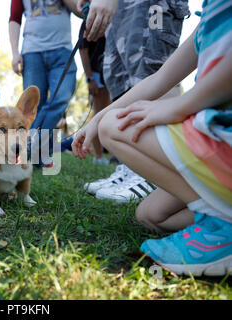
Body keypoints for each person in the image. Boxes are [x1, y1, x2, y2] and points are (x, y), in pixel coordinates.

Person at [73, 0, 232, 276]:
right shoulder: (208, 20)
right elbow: (159, 79)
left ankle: (223, 224)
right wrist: (96, 120)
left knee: (116, 127)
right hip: (218, 140)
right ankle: (218, 217)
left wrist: (178, 106)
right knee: (151, 215)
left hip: (223, 135)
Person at [78, 0, 189, 202]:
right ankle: (132, 166)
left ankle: (156, 171)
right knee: (120, 78)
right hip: (121, 9)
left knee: (151, 68)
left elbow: (161, 79)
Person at [9, 0, 81, 168]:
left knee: (61, 98)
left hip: (62, 51)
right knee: (34, 107)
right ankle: (41, 157)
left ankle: (28, 148)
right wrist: (14, 52)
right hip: (32, 52)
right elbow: (14, 17)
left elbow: (80, 11)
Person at [78, 0, 110, 165]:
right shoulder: (88, 20)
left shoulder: (112, 13)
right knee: (99, 114)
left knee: (114, 112)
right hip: (97, 74)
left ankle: (114, 156)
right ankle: (99, 156)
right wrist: (90, 79)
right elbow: (83, 51)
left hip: (113, 71)